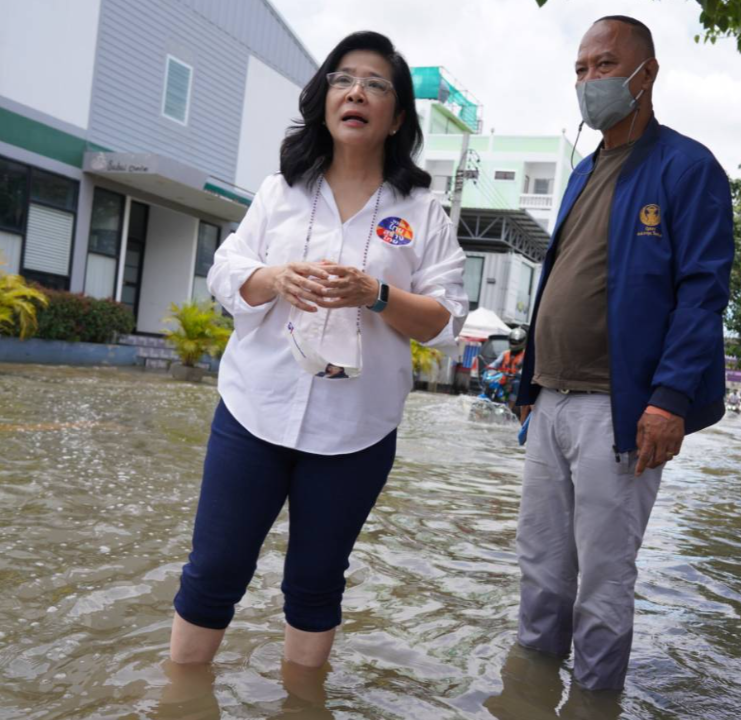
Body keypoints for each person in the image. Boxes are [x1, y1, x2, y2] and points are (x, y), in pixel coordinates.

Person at [169, 30, 467, 671]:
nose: (356, 92)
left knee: (315, 581)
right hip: (254, 410)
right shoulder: (282, 190)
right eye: (343, 79)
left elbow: (446, 320)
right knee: (214, 569)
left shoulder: (423, 211)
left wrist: (375, 293)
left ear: (397, 117)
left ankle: (301, 706)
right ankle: (177, 701)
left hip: (356, 429)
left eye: (375, 85)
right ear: (325, 98)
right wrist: (275, 277)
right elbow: (225, 272)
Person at [511, 15, 734, 692]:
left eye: (604, 65)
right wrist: (527, 386)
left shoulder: (686, 167)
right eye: (580, 70)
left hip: (621, 408)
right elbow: (560, 278)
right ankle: (528, 695)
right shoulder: (582, 172)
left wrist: (669, 400)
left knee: (604, 579)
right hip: (550, 399)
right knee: (540, 568)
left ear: (646, 73)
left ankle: (594, 701)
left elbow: (702, 292)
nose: (589, 81)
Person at [486, 327, 528, 413]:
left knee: (516, 384)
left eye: (516, 342)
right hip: (503, 377)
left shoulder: (525, 355)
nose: (514, 343)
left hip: (516, 379)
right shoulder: (505, 353)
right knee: (490, 382)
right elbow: (496, 363)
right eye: (512, 341)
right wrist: (489, 368)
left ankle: (509, 408)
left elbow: (525, 369)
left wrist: (518, 374)